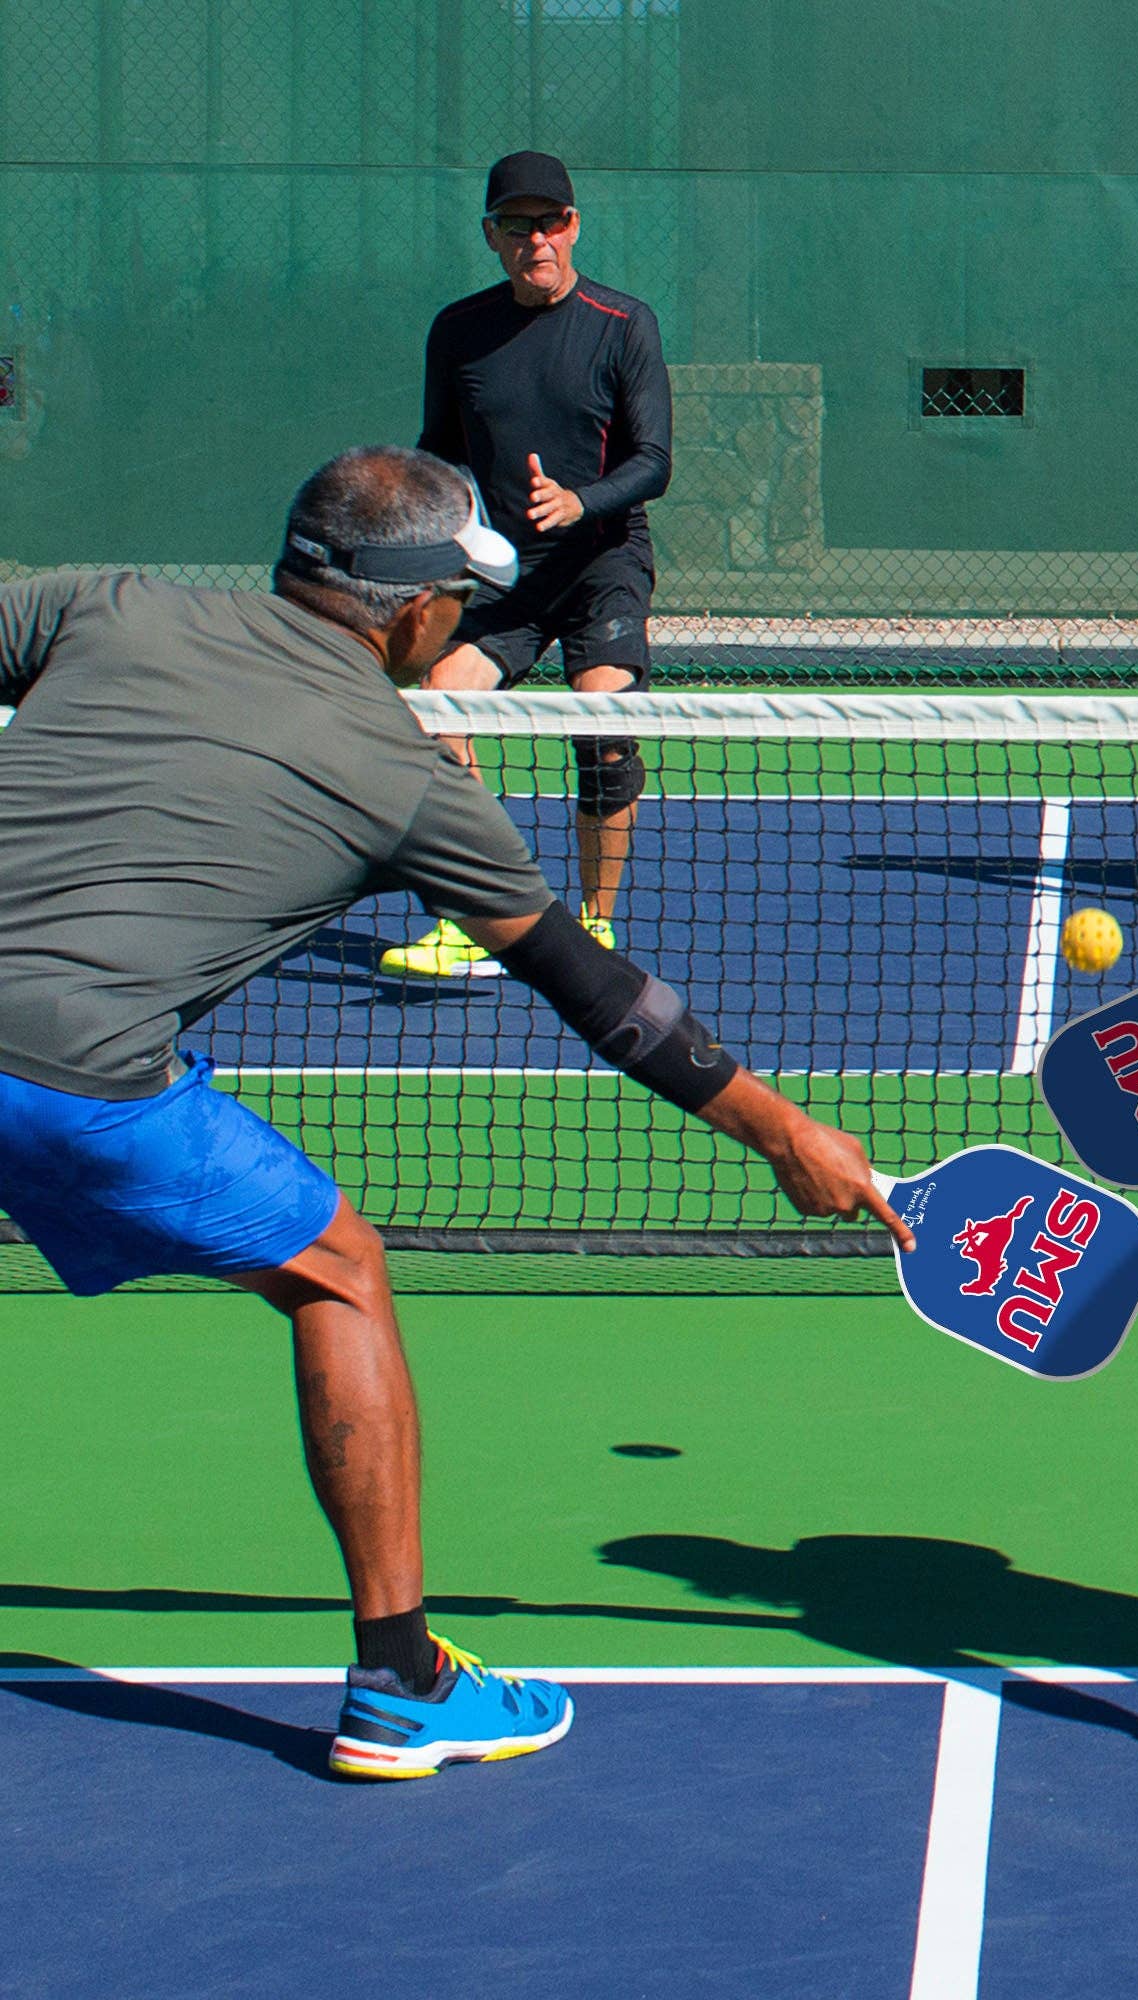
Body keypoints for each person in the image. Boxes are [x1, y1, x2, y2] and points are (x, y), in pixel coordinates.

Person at [0, 446, 914, 1779]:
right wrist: (788, 1134)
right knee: (341, 1274)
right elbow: (595, 988)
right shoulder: (408, 775)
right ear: (416, 612)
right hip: (80, 1078)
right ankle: (401, 1681)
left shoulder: (108, 604)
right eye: (459, 605)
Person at [381, 148, 672, 978]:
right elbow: (438, 452)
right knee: (439, 711)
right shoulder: (459, 331)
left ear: (573, 228)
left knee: (604, 730)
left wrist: (582, 502)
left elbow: (654, 460)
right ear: (492, 236)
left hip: (601, 567)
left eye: (550, 223)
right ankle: (479, 919)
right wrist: (434, 535)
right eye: (518, 226)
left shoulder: (624, 325)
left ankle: (595, 923)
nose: (536, 239)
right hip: (503, 578)